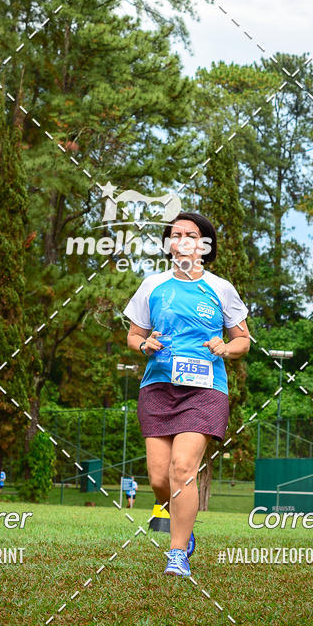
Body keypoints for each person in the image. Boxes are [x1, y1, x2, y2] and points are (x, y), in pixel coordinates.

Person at [124, 212, 250, 578]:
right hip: (158, 387)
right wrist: (143, 343)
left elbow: (243, 340)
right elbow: (133, 335)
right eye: (175, 234)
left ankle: (177, 553)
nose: (182, 240)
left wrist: (225, 347)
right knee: (160, 480)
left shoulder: (220, 288)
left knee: (183, 469)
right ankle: (184, 521)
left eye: (190, 234)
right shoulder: (152, 285)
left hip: (205, 389)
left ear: (204, 244)